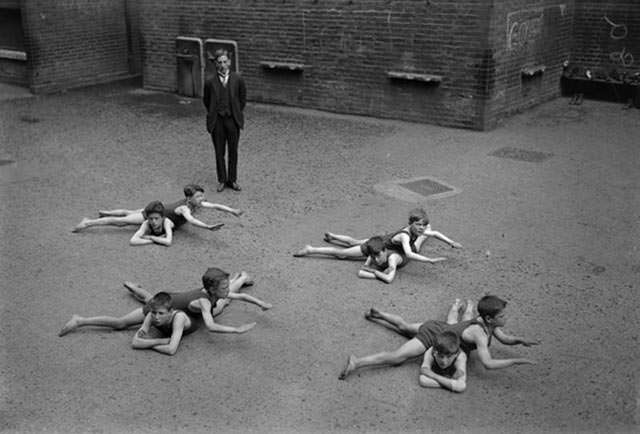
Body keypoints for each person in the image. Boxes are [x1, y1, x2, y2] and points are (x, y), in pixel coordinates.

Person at [338, 296, 538, 381]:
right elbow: (488, 363)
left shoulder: (489, 325)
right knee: (397, 357)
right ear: (489, 318)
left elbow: (505, 338)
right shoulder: (480, 332)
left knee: (404, 326)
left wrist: (520, 340)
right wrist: (517, 360)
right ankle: (357, 361)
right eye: (502, 316)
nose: (506, 318)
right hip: (435, 336)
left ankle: (380, 314)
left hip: (440, 326)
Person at [58, 267, 271, 338]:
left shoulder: (216, 292)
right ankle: (80, 320)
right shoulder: (206, 302)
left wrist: (261, 303)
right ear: (212, 289)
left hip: (173, 301)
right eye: (224, 286)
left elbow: (239, 296)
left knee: (225, 302)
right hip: (166, 303)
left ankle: (241, 277)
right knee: (121, 323)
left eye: (227, 285)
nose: (226, 289)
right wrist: (237, 330)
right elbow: (212, 326)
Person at [294, 208, 459, 280]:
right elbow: (408, 254)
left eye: (423, 226)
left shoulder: (416, 231)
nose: (422, 229)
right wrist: (429, 260)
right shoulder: (404, 236)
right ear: (411, 224)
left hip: (384, 243)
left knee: (354, 241)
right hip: (379, 246)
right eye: (419, 225)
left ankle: (333, 236)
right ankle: (311, 249)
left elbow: (435, 233)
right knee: (343, 254)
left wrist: (451, 242)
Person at [72, 184, 241, 233]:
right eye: (198, 197)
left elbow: (216, 206)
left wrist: (232, 211)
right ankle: (89, 223)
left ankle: (106, 212)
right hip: (155, 213)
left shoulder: (196, 203)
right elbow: (191, 220)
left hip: (158, 209)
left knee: (128, 212)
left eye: (201, 196)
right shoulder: (185, 209)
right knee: (122, 222)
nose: (202, 199)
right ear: (189, 198)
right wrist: (207, 227)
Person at [203, 48, 247, 192]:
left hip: (232, 120)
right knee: (219, 151)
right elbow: (206, 101)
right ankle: (222, 179)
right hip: (218, 121)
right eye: (219, 62)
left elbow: (242, 100)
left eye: (224, 62)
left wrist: (235, 112)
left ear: (229, 63)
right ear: (216, 64)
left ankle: (232, 180)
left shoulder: (238, 79)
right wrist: (214, 113)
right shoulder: (210, 82)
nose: (222, 65)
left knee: (233, 150)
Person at [130, 292, 197, 355]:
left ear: (170, 312)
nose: (156, 317)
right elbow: (135, 343)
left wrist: (146, 344)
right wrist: (161, 341)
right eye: (154, 312)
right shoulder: (150, 315)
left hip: (195, 313)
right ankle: (134, 288)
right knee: (119, 324)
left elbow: (171, 350)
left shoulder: (179, 318)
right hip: (168, 306)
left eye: (161, 313)